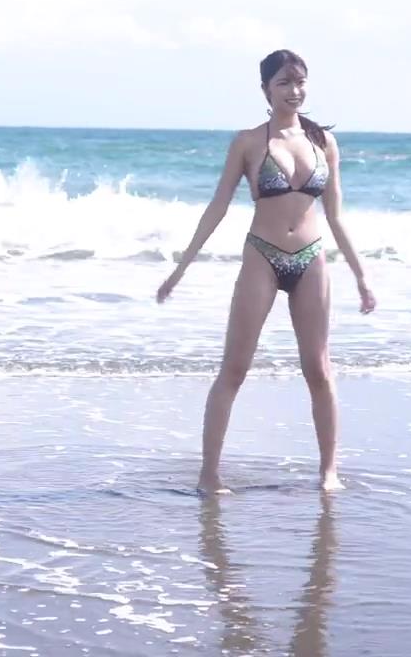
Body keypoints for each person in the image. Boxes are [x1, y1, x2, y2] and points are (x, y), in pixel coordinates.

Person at [157, 49, 376, 492]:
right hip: (262, 255)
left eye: (300, 82)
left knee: (319, 369)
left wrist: (361, 276)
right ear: (265, 90)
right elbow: (217, 207)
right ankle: (209, 474)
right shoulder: (248, 142)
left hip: (311, 258)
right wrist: (180, 269)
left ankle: (329, 471)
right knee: (234, 368)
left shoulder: (324, 143)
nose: (294, 91)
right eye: (284, 83)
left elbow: (336, 216)